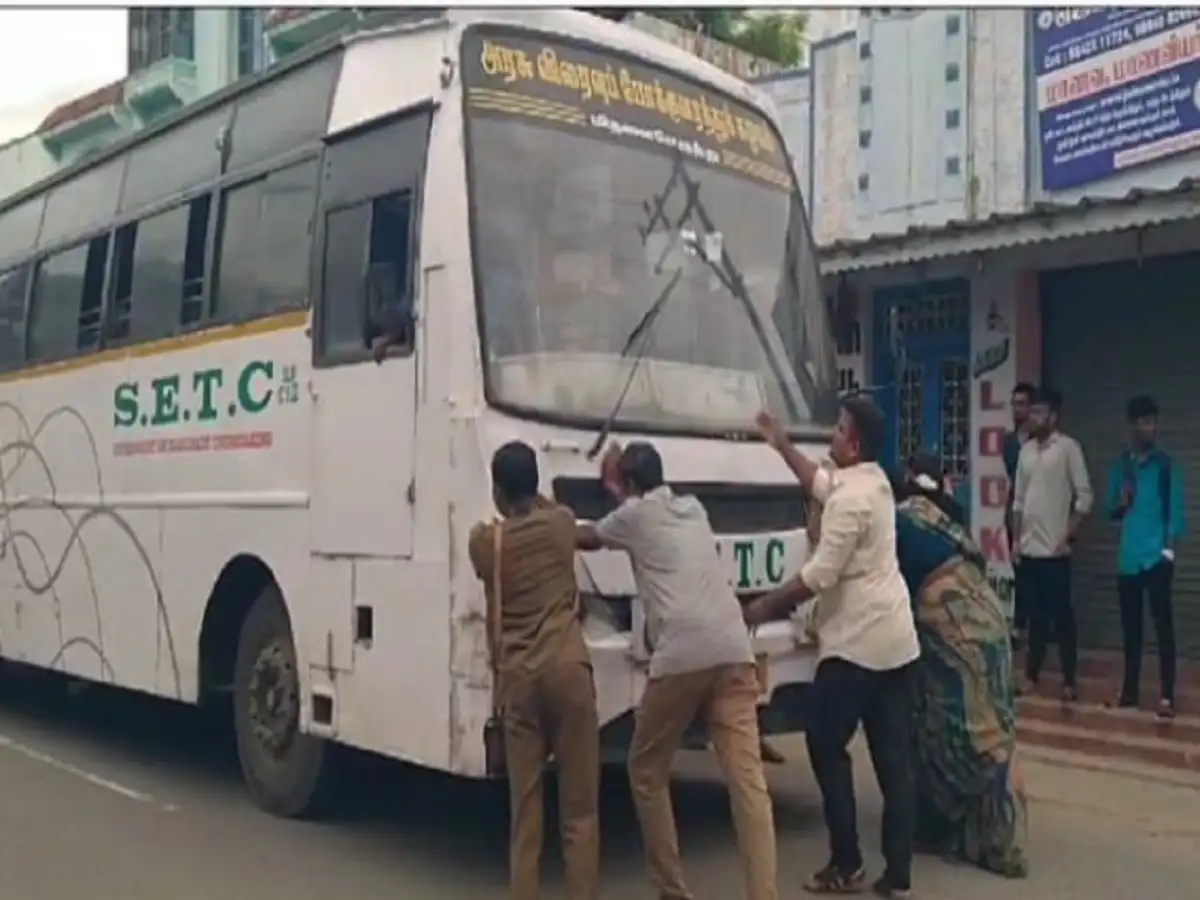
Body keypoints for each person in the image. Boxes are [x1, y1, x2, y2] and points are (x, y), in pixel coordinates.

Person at [576, 441, 778, 900]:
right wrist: (621, 489)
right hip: (733, 648)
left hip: (681, 655)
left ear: (626, 484)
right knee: (748, 782)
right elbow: (642, 518)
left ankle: (672, 889)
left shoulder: (631, 517)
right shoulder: (693, 508)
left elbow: (588, 536)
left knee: (646, 769)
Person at [746, 400, 919, 899]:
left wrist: (760, 608)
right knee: (893, 759)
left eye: (839, 431)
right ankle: (898, 876)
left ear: (855, 444)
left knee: (825, 744)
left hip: (857, 646)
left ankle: (847, 864)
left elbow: (818, 576)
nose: (832, 436)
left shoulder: (851, 501)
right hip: (896, 643)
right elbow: (820, 483)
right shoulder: (875, 483)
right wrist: (781, 444)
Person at [467, 441, 600, 900]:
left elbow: (503, 522)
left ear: (498, 491)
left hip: (519, 683)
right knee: (580, 810)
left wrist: (506, 505)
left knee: (526, 810)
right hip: (569, 671)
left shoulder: (485, 543)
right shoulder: (562, 525)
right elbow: (552, 508)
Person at [895, 452, 1028, 878]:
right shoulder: (945, 518)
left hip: (955, 628)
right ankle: (954, 828)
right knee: (977, 724)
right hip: (985, 621)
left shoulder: (902, 517)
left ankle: (999, 840)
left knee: (964, 733)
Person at [1011, 387, 1093, 701]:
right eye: (1032, 412)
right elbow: (1017, 501)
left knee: (1062, 617)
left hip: (1054, 552)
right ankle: (1032, 676)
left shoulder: (1068, 449)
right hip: (1029, 549)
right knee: (1035, 618)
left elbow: (1084, 498)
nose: (1033, 417)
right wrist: (1016, 540)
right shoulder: (1026, 451)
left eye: (1040, 412)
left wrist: (1068, 537)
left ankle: (1069, 681)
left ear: (1054, 416)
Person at [1106, 395, 1184, 719]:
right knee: (1131, 629)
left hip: (1156, 558)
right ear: (1131, 426)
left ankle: (1166, 696)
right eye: (1139, 422)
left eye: (1150, 421)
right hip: (1129, 558)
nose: (1145, 428)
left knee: (1163, 628)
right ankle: (1130, 692)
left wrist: (1168, 551)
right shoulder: (1121, 466)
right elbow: (1110, 510)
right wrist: (1120, 502)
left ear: (1156, 425)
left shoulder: (1166, 466)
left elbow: (1175, 512)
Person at [1004, 383, 1036, 645]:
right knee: (1019, 567)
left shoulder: (1041, 442)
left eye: (1022, 404)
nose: (1018, 409)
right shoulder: (1009, 441)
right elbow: (1013, 472)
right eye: (1014, 404)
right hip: (1015, 509)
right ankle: (1019, 624)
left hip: (1039, 511)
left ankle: (1036, 625)